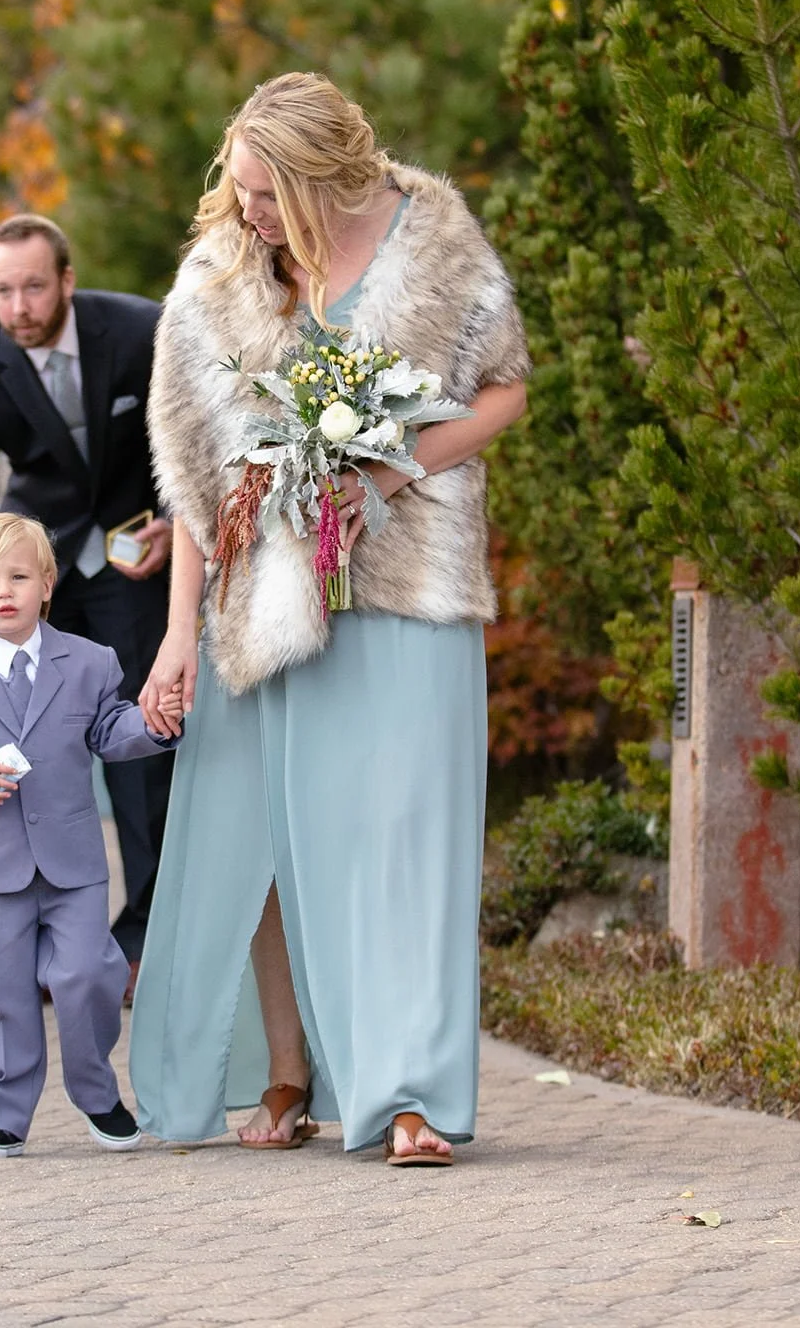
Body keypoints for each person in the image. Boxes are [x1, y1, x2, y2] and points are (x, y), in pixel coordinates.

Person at [133, 73, 531, 1169]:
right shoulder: (216, 277)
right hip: (259, 595)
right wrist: (177, 637)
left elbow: (502, 388)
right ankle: (286, 1066)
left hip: (410, 583)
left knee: (400, 837)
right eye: (240, 187)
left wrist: (388, 470)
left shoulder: (435, 238)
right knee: (265, 831)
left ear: (323, 182)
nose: (246, 210)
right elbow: (192, 479)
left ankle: (406, 1095)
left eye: (266, 192)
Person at [0, 215, 174, 975]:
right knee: (33, 760)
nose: (18, 307)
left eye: (33, 286)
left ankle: (146, 940)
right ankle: (48, 946)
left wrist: (177, 522)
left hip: (137, 566)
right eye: (2, 291)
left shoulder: (140, 329)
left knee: (140, 756)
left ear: (66, 281)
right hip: (34, 577)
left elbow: (197, 440)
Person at [0, 513, 175, 1159]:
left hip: (72, 863)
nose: (6, 591)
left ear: (47, 585)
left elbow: (109, 730)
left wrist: (156, 724)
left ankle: (96, 1091)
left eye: (20, 576)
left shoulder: (90, 660)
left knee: (89, 973)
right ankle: (2, 1110)